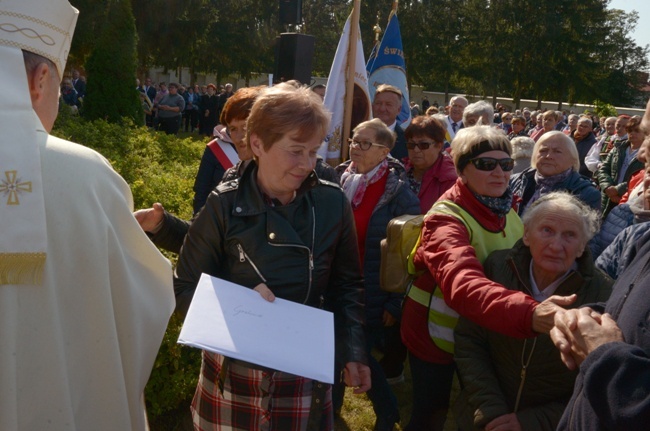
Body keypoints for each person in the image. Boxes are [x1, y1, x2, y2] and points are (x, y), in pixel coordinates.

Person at [0, 1, 175, 429]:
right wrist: (116, 246)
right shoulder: (87, 174)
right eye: (59, 88)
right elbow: (139, 304)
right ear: (41, 80)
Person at [173, 84, 370, 431]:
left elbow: (347, 284)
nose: (307, 165)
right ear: (258, 144)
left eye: (313, 151)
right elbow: (187, 285)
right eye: (295, 151)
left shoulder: (332, 203)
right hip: (235, 372)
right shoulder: (222, 204)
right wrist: (241, 309)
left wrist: (354, 351)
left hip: (302, 371)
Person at [400, 126, 575, 431]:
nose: (500, 173)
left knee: (475, 406)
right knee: (431, 413)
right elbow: (461, 282)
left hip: (484, 333)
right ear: (462, 171)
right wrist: (530, 312)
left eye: (506, 164)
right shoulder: (445, 219)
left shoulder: (504, 208)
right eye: (485, 164)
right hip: (434, 335)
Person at [454, 192, 612, 431]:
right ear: (526, 234)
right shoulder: (497, 268)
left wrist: (531, 422)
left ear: (582, 247)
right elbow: (470, 339)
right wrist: (490, 409)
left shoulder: (603, 294)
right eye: (546, 230)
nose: (556, 245)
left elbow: (600, 380)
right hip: (485, 415)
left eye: (570, 235)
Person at [335, 118, 420, 430]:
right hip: (334, 284)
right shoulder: (338, 178)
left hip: (371, 289)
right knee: (334, 351)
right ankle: (330, 413)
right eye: (354, 140)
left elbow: (408, 251)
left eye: (364, 143)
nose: (355, 147)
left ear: (384, 151)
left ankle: (386, 411)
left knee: (361, 354)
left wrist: (395, 302)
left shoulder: (398, 192)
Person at [191, 86, 262, 215]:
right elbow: (201, 193)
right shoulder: (216, 150)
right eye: (233, 128)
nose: (240, 137)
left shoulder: (286, 173)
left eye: (246, 127)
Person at [509, 131, 601, 215]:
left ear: (572, 159)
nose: (548, 156)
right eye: (543, 151)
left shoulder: (586, 194)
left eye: (557, 151)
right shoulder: (515, 181)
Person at [403, 115, 457, 213]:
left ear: (439, 146)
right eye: (411, 144)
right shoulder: (398, 171)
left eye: (423, 145)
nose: (416, 150)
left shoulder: (450, 180)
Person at [597, 115, 645, 218]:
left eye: (636, 131)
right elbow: (604, 169)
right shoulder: (618, 148)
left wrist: (618, 190)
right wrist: (607, 187)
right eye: (629, 130)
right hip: (607, 197)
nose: (632, 133)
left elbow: (641, 179)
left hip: (628, 200)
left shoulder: (646, 154)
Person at [372, 84, 408, 160]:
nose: (382, 109)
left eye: (388, 104)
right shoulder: (357, 135)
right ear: (372, 106)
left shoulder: (407, 140)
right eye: (378, 103)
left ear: (398, 109)